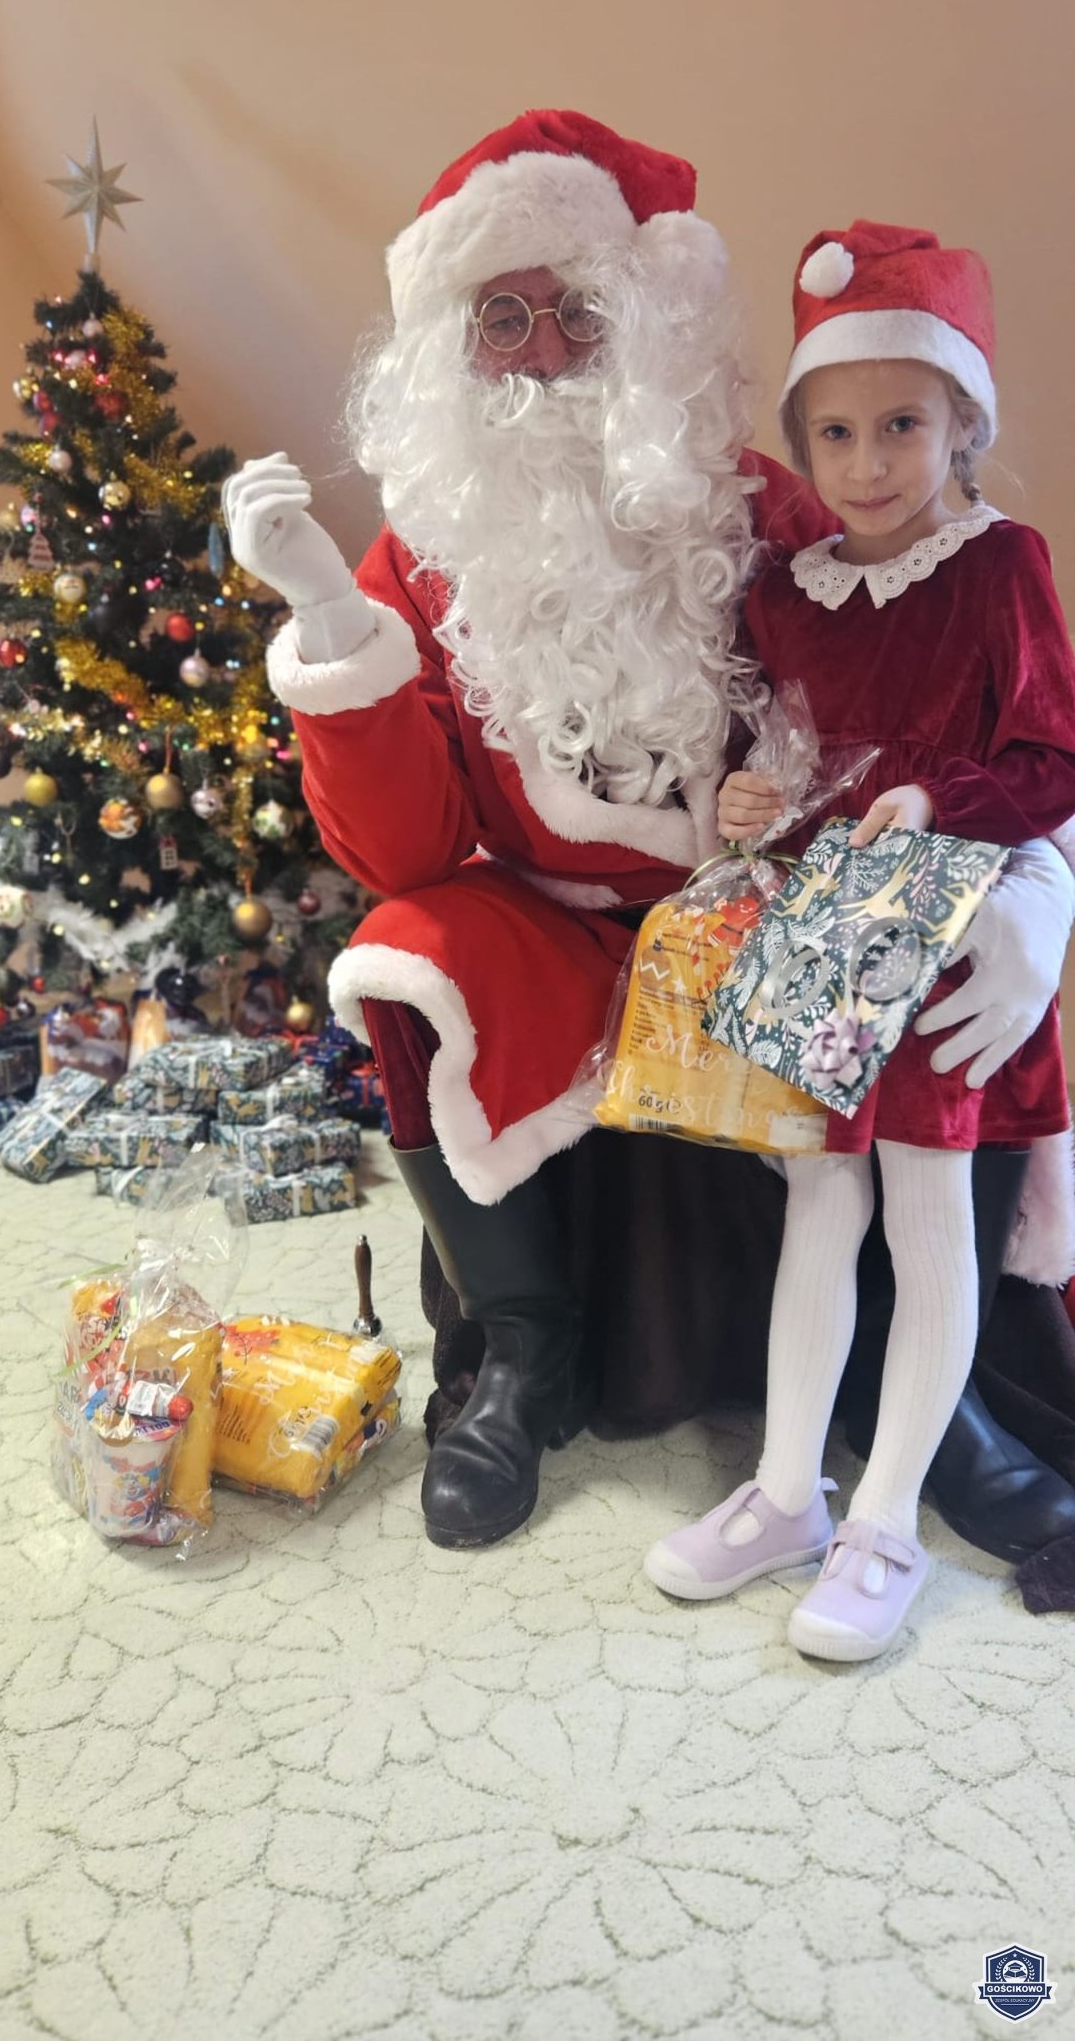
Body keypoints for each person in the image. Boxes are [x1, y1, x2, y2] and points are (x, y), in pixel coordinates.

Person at [223, 111, 1075, 1562]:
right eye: (503, 320)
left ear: (647, 322)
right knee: (404, 952)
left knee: (939, 961)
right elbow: (404, 854)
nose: (547, 354)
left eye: (580, 309)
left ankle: (923, 1388)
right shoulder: (420, 557)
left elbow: (958, 711)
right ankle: (525, 1355)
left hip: (772, 902)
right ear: (451, 352)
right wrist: (327, 617)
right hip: (556, 928)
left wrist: (1034, 891)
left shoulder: (771, 506)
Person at [644, 222, 1075, 1657]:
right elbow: (775, 754)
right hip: (821, 945)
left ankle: (885, 1519)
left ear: (965, 427)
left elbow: (1052, 757)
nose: (869, 460)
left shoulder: (1001, 566)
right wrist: (747, 799)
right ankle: (788, 1491)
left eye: (903, 424)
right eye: (835, 431)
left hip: (941, 946)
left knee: (930, 1222)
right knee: (817, 1215)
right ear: (802, 445)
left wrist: (935, 797)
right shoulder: (788, 589)